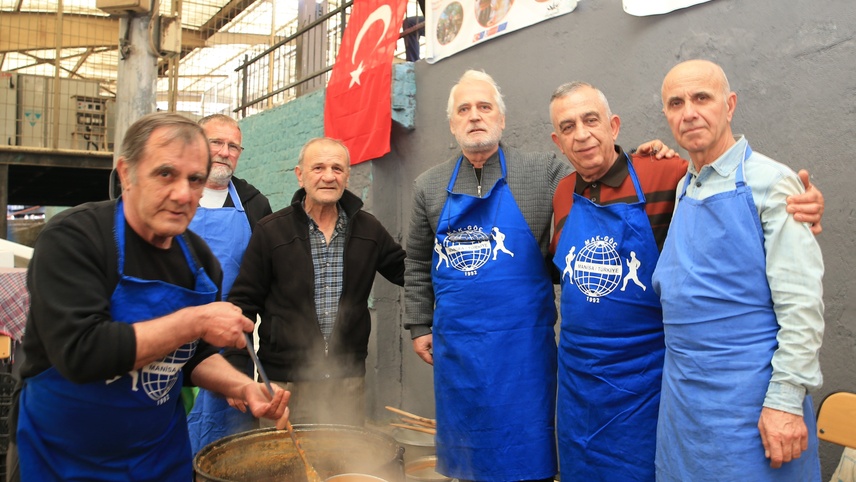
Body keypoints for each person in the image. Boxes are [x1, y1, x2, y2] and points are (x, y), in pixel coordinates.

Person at [549, 81, 824, 481]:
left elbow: (721, 182)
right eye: (568, 126)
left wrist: (800, 205)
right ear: (557, 142)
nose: (581, 134)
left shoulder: (667, 174)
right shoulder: (561, 194)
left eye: (591, 120)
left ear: (613, 125)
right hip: (581, 385)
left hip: (642, 384)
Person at [8, 112, 290, 482]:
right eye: (165, 174)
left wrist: (243, 387)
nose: (183, 194)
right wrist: (197, 320)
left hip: (157, 456)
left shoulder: (200, 261)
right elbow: (81, 352)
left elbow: (194, 356)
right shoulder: (75, 238)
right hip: (64, 455)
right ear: (127, 173)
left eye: (195, 180)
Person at [652, 59, 824, 481]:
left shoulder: (772, 182)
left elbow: (801, 304)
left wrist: (785, 401)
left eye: (702, 98)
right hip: (685, 408)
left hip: (752, 408)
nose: (689, 112)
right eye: (676, 103)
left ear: (729, 105)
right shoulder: (684, 185)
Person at [224, 137, 405, 426]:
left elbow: (409, 272)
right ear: (300, 175)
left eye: (337, 168)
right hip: (283, 383)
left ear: (347, 176)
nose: (329, 177)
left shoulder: (369, 229)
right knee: (280, 455)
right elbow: (243, 303)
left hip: (346, 381)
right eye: (318, 167)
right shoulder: (271, 231)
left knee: (344, 455)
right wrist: (235, 367)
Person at [186, 114, 273, 455]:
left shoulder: (254, 204)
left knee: (229, 446)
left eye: (233, 146)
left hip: (231, 341)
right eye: (216, 143)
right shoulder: (177, 197)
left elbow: (266, 279)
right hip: (171, 333)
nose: (225, 152)